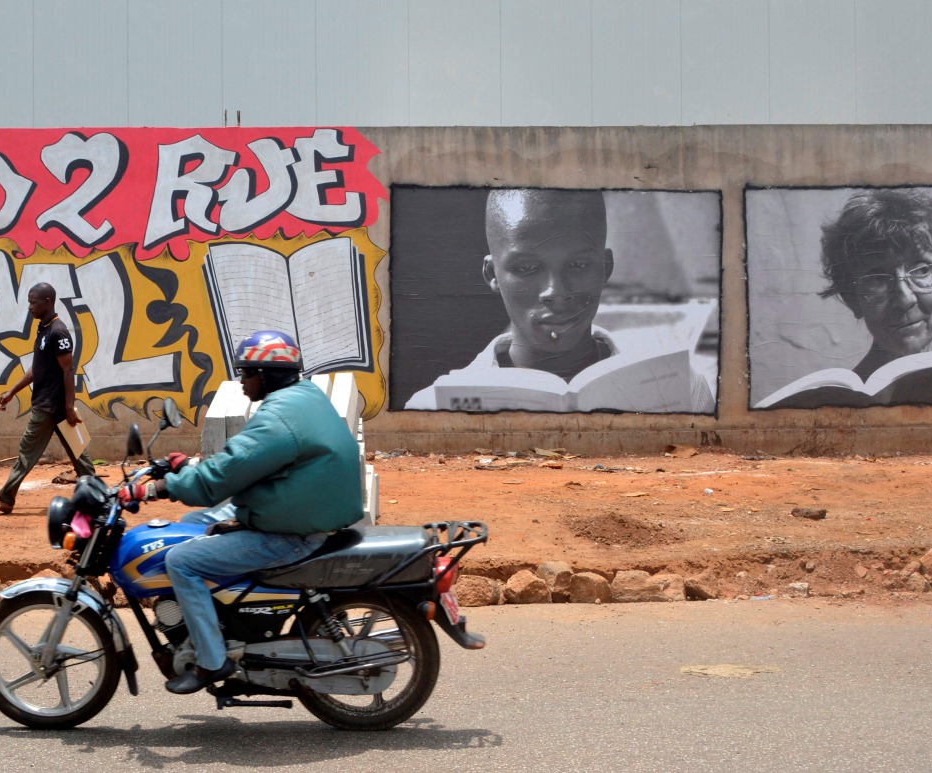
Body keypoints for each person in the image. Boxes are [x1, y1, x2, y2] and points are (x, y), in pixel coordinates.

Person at [117, 330, 363, 695]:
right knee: (192, 524)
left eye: (246, 373)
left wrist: (156, 487)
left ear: (264, 375)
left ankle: (212, 660)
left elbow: (219, 479)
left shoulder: (277, 418)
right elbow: (244, 462)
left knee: (182, 561)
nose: (242, 381)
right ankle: (225, 620)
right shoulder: (303, 398)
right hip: (295, 508)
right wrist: (187, 465)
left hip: (291, 533)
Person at [405, 188, 714, 411]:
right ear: (492, 274)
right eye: (526, 268)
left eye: (579, 266)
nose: (556, 291)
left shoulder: (679, 387)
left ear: (605, 268)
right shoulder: (434, 406)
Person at [0, 282, 96, 514]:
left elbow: (68, 370)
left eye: (33, 303)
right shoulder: (44, 329)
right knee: (79, 454)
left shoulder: (58, 332)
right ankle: (99, 495)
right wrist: (12, 391)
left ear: (47, 302)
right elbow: (37, 368)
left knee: (27, 452)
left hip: (50, 406)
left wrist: (69, 407)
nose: (29, 307)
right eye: (29, 302)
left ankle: (6, 499)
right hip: (51, 404)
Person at [819, 188, 932, 381]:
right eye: (877, 279)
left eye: (921, 270)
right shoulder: (839, 405)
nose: (904, 299)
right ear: (851, 298)